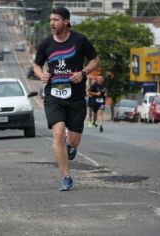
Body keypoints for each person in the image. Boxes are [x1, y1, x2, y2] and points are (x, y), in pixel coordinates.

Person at [33, 7, 100, 191]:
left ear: (66, 21)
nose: (52, 23)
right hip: (53, 95)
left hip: (76, 97)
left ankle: (71, 147)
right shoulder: (46, 44)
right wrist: (42, 75)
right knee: (58, 133)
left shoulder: (79, 40)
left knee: (73, 140)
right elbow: (37, 65)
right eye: (51, 20)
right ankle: (66, 177)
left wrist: (83, 73)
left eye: (56, 20)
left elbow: (95, 59)